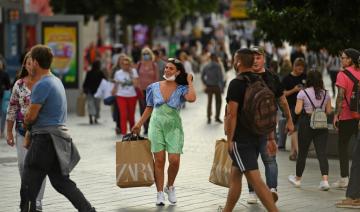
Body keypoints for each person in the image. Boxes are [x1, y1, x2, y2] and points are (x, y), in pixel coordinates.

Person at [20, 45, 96, 212]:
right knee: (62, 183)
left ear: (37, 63)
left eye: (31, 61)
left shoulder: (42, 85)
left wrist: (25, 122)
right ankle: (88, 210)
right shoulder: (56, 81)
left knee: (29, 185)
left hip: (44, 140)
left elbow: (31, 117)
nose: (29, 65)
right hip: (56, 140)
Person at [219, 48, 278, 212]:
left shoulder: (236, 84)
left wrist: (230, 140)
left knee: (256, 181)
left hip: (241, 140)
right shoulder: (260, 81)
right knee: (235, 176)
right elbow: (269, 111)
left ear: (238, 62)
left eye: (234, 59)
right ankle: (227, 210)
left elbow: (232, 114)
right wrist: (270, 137)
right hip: (258, 135)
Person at [132, 58, 196, 206]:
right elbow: (148, 107)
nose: (167, 70)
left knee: (174, 160)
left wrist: (190, 81)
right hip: (156, 126)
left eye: (171, 68)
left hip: (174, 128)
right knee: (159, 161)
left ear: (178, 71)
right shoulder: (153, 87)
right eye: (166, 68)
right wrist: (139, 124)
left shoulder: (181, 88)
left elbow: (192, 98)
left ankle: (170, 186)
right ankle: (159, 193)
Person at [246, 46, 295, 204]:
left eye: (258, 57)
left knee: (270, 159)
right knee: (251, 160)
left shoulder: (272, 77)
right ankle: (252, 192)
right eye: (252, 57)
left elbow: (282, 100)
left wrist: (289, 119)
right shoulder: (244, 77)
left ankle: (272, 190)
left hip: (268, 127)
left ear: (264, 59)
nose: (255, 60)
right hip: (248, 127)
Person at [6, 53, 46, 211]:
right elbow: (12, 108)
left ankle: (37, 200)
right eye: (28, 64)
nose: (31, 66)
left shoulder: (45, 83)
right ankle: (28, 195)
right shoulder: (19, 84)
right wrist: (9, 132)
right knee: (23, 165)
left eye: (34, 63)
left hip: (41, 131)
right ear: (25, 65)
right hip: (22, 130)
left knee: (39, 166)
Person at [288, 70, 332, 190]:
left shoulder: (303, 93)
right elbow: (329, 111)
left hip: (306, 124)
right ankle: (325, 181)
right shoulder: (326, 93)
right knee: (321, 153)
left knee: (302, 152)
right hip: (321, 125)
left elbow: (297, 111)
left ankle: (297, 179)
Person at [332, 48, 360, 189]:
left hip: (347, 116)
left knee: (342, 147)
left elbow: (340, 96)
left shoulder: (342, 75)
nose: (341, 60)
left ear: (350, 60)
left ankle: (344, 178)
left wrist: (336, 115)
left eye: (343, 58)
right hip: (359, 118)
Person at [282, 58, 307, 161]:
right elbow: (283, 94)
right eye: (299, 69)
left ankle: (293, 152)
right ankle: (296, 151)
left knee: (297, 129)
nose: (301, 71)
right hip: (291, 106)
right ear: (294, 66)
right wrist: (294, 90)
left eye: (302, 69)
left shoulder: (304, 77)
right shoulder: (287, 79)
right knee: (293, 129)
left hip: (302, 106)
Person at [113, 56, 139, 136]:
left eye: (127, 64)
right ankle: (124, 133)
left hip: (132, 96)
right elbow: (116, 85)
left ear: (129, 64)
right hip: (121, 96)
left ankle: (132, 133)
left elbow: (135, 85)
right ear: (120, 64)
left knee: (131, 116)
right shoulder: (118, 73)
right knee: (123, 115)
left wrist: (131, 74)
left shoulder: (133, 71)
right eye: (123, 64)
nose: (125, 65)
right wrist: (113, 92)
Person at [137, 47, 159, 134]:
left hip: (151, 91)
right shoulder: (139, 64)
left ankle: (151, 126)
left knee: (150, 108)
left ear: (150, 54)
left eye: (147, 53)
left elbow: (156, 78)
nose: (146, 55)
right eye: (144, 53)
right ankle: (145, 127)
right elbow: (136, 77)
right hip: (141, 90)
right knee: (142, 109)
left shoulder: (154, 65)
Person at [201, 53, 224, 124]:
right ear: (215, 58)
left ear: (210, 58)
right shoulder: (218, 66)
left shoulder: (206, 66)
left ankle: (208, 117)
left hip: (209, 86)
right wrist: (222, 87)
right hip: (216, 86)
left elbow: (202, 76)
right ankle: (217, 117)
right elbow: (220, 78)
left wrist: (205, 83)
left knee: (209, 102)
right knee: (219, 101)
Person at [83, 60, 105, 124]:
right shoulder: (100, 73)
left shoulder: (89, 72)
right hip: (98, 92)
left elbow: (85, 82)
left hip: (90, 91)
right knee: (97, 106)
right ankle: (95, 118)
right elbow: (104, 81)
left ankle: (90, 118)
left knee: (90, 105)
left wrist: (84, 89)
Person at [0, 58, 11, 138]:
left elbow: (8, 86)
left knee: (3, 114)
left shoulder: (5, 74)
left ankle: (1, 131)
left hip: (3, 97)